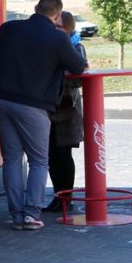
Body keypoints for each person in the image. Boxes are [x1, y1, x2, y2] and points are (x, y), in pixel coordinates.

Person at [0, 0, 87, 231]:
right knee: (39, 160)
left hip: (0, 99)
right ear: (58, 14)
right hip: (33, 104)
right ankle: (31, 214)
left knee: (11, 158)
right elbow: (79, 66)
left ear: (35, 8)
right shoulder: (57, 38)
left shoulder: (10, 28)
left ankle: (16, 214)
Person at [44, 11, 87, 212]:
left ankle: (66, 198)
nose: (56, 29)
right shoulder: (51, 44)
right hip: (51, 107)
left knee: (64, 153)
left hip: (67, 107)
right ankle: (57, 196)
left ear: (68, 28)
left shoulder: (77, 46)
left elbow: (80, 77)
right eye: (55, 26)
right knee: (52, 155)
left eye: (60, 26)